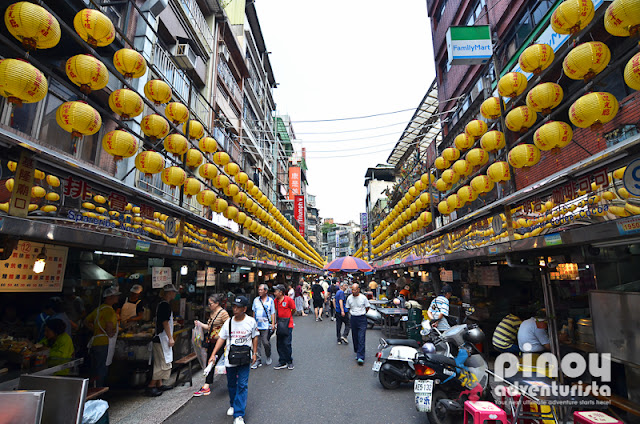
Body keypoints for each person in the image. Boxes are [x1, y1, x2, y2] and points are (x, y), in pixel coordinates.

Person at [208, 296, 258, 424]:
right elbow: (221, 338)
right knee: (231, 384)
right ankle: (233, 404)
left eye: (238, 307)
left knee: (242, 385)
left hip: (245, 357)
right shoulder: (229, 322)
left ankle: (239, 414)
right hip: (230, 358)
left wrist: (255, 353)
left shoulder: (251, 321)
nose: (235, 309)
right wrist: (213, 354)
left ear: (245, 309)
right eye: (234, 306)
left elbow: (255, 337)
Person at [193, 294, 229, 396]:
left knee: (216, 363)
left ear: (217, 303)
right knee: (211, 362)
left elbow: (229, 328)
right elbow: (209, 327)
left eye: (210, 304)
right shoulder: (212, 313)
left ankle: (207, 385)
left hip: (220, 343)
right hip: (211, 342)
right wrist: (199, 324)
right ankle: (207, 385)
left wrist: (227, 343)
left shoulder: (223, 314)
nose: (209, 306)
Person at [146, 283, 178, 397]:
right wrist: (170, 338)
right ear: (169, 293)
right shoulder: (165, 305)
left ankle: (159, 384)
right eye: (173, 292)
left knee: (160, 362)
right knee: (162, 363)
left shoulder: (162, 304)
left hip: (159, 338)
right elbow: (165, 322)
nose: (175, 294)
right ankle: (151, 385)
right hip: (161, 338)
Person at [85, 286, 120, 387]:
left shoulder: (98, 309)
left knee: (95, 369)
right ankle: (99, 392)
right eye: (116, 296)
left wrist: (95, 329)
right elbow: (109, 325)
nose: (117, 298)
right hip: (104, 343)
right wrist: (109, 333)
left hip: (96, 341)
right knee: (101, 369)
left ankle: (94, 389)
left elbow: (86, 321)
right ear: (109, 297)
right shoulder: (109, 311)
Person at [251, 284, 276, 369]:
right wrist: (253, 323)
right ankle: (258, 360)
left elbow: (272, 312)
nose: (260, 291)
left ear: (266, 291)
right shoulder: (256, 300)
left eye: (261, 290)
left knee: (266, 342)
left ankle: (268, 355)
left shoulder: (270, 300)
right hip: (257, 326)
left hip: (266, 326)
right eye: (259, 290)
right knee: (257, 344)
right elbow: (254, 312)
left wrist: (273, 323)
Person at [346, 283, 371, 365]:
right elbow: (348, 307)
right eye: (352, 289)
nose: (353, 291)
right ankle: (357, 351)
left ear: (358, 290)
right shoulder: (349, 298)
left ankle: (361, 356)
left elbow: (367, 307)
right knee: (355, 336)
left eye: (355, 289)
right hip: (353, 318)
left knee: (361, 337)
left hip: (362, 318)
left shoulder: (363, 297)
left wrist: (362, 313)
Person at [273, 284, 295, 370]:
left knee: (287, 343)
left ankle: (289, 360)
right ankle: (282, 361)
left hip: (288, 324)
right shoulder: (276, 301)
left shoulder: (288, 300)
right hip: (280, 324)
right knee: (279, 343)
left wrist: (289, 317)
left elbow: (293, 309)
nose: (274, 293)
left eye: (276, 291)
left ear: (281, 292)